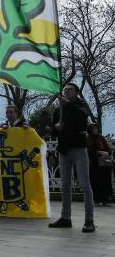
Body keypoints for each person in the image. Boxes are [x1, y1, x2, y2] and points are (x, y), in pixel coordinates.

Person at [48, 83, 95, 233]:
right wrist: (56, 127)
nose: (66, 92)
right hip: (64, 149)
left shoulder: (81, 106)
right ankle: (65, 217)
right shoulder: (58, 110)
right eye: (65, 90)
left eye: (70, 90)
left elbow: (82, 119)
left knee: (84, 184)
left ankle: (89, 220)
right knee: (65, 185)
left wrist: (68, 105)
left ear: (76, 92)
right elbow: (53, 132)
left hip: (78, 148)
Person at [87, 124, 113, 207]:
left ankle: (105, 199)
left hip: (104, 163)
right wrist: (99, 153)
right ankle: (96, 199)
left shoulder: (101, 138)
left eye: (96, 129)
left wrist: (107, 152)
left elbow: (108, 148)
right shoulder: (89, 139)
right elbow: (89, 150)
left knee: (105, 181)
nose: (95, 130)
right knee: (95, 181)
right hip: (95, 164)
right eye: (93, 129)